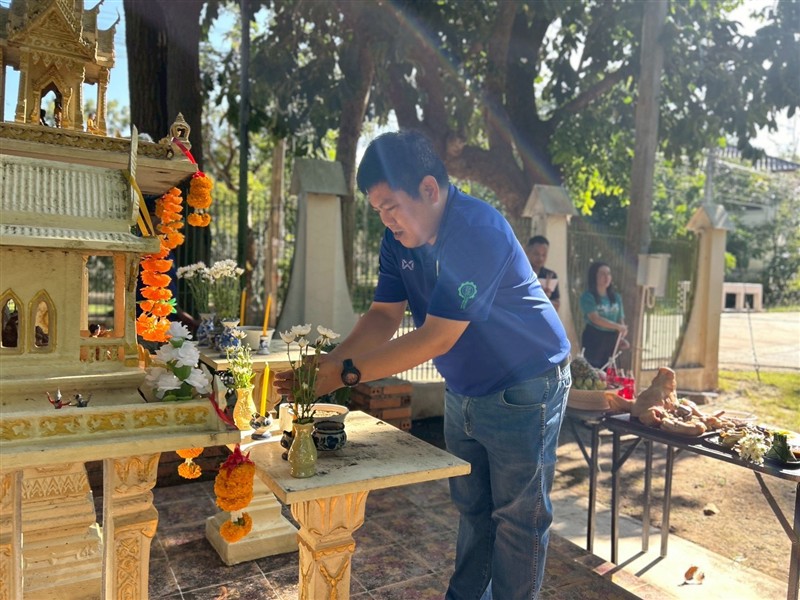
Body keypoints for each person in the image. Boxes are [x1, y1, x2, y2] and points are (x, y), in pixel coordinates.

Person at [275, 130, 571, 600]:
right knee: (473, 509)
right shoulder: (398, 241)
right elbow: (383, 317)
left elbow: (436, 336)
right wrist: (327, 364)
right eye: (378, 210)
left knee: (518, 518)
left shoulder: (476, 230)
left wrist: (346, 373)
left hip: (524, 386)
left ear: (429, 189)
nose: (386, 220)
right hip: (465, 388)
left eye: (391, 206)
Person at [579, 261, 628, 369]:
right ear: (594, 276)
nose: (606, 277)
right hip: (594, 338)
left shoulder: (616, 298)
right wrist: (618, 327)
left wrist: (621, 335)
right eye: (602, 274)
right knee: (594, 371)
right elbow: (595, 318)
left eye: (608, 273)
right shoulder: (588, 297)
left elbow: (620, 319)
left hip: (612, 339)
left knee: (609, 371)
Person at [525, 235, 560, 310]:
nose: (540, 258)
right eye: (536, 254)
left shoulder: (550, 276)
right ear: (527, 251)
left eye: (544, 255)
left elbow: (556, 305)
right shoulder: (521, 274)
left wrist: (545, 299)